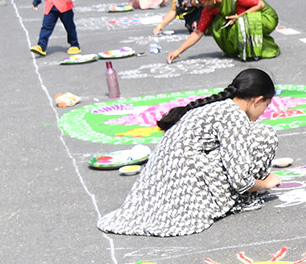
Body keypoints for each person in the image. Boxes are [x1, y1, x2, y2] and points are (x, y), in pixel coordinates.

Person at [97, 70, 281, 238]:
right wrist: (265, 183)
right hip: (186, 185)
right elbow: (240, 180)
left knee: (252, 137)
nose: (264, 112)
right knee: (265, 134)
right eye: (266, 105)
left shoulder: (220, 106)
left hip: (161, 182)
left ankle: (242, 195)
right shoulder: (233, 115)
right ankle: (243, 200)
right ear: (257, 100)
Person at [167, 0, 279, 62]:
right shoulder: (209, 9)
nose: (201, 5)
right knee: (217, 24)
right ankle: (235, 49)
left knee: (241, 22)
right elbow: (198, 32)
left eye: (202, 2)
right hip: (244, 20)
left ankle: (259, 50)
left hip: (265, 17)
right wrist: (178, 51)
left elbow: (260, 4)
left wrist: (241, 16)